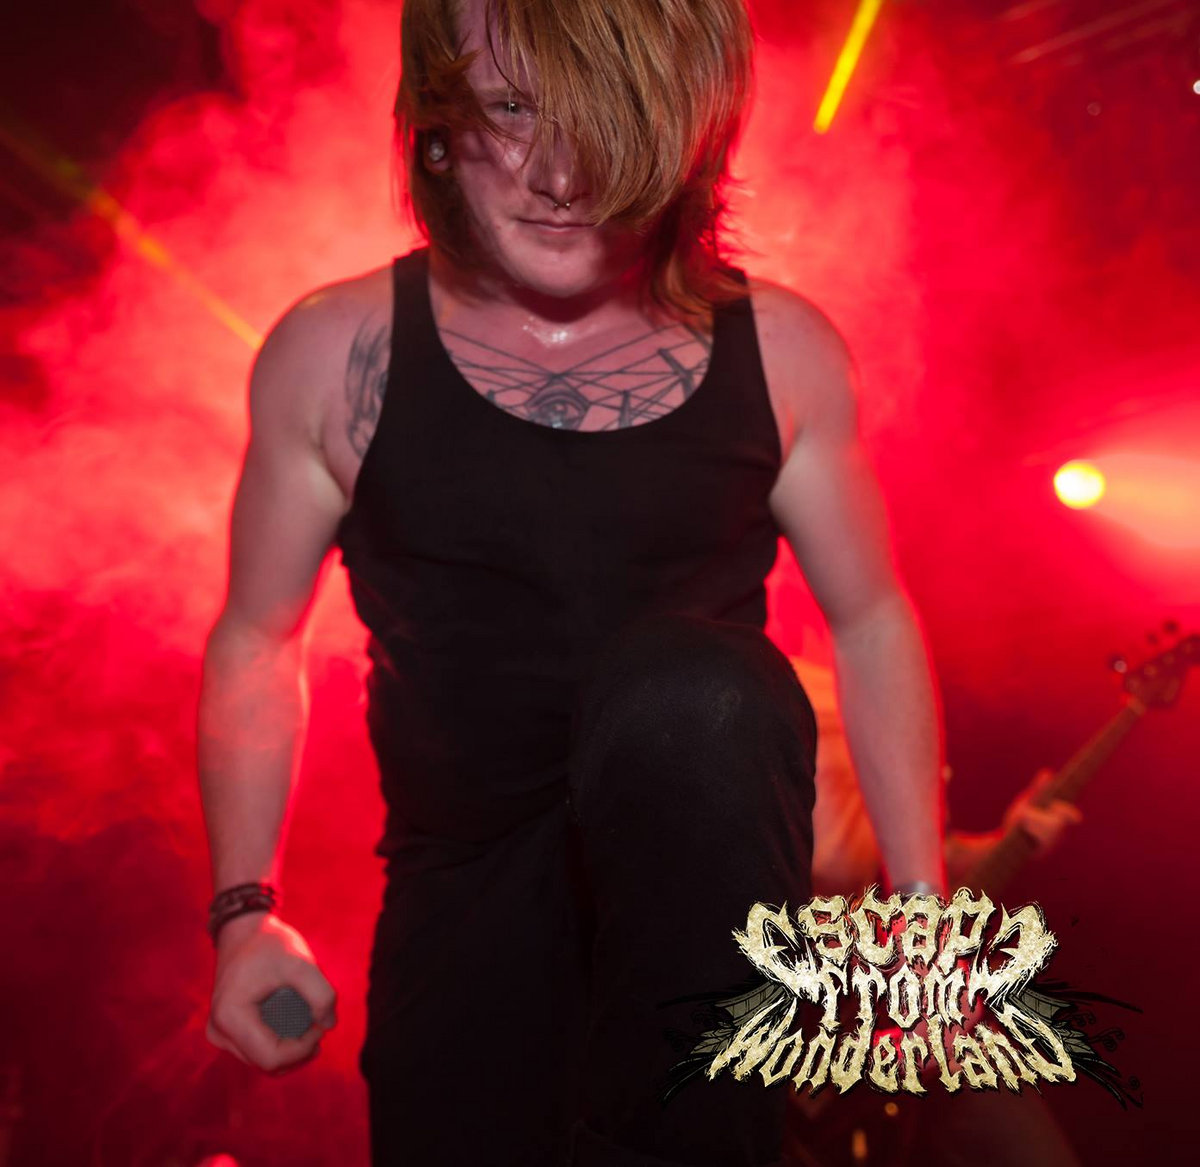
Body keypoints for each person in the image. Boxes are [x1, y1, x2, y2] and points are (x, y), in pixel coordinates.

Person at [198, 2, 947, 1164]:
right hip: (463, 921)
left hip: (702, 929)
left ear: (684, 135)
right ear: (437, 125)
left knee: (694, 687)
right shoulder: (332, 353)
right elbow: (257, 635)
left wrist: (923, 910)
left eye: (610, 117)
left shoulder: (784, 351)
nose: (558, 175)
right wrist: (245, 916)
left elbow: (874, 616)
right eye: (510, 110)